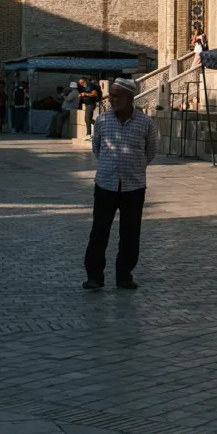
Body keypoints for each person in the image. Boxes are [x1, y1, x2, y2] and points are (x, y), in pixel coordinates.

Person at [84, 77, 155, 291]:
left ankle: (124, 275)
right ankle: (95, 276)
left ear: (129, 98)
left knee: (130, 232)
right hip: (106, 185)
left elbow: (150, 152)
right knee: (99, 231)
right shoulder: (103, 121)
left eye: (116, 96)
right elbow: (97, 149)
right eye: (111, 95)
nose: (111, 99)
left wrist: (132, 167)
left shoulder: (145, 123)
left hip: (133, 187)